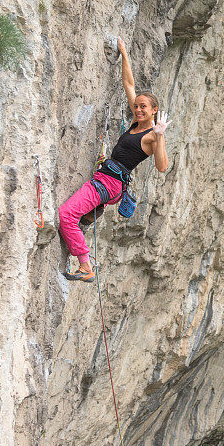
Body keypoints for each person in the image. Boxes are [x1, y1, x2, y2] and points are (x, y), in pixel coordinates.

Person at [59, 37, 170, 282]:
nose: (138, 109)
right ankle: (86, 223)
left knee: (66, 214)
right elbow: (129, 84)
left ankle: (85, 266)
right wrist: (125, 54)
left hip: (110, 183)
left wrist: (161, 136)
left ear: (154, 110)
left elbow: (162, 166)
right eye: (137, 106)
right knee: (75, 215)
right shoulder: (136, 122)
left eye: (144, 107)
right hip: (107, 178)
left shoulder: (152, 136)